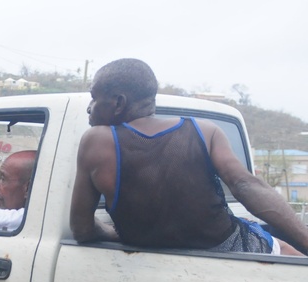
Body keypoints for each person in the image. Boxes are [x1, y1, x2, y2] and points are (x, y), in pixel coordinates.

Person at [70, 58, 308, 256]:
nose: (90, 107)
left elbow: (82, 229)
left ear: (119, 102)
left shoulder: (96, 142)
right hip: (233, 248)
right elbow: (245, 184)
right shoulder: (204, 131)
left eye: (94, 97)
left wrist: (113, 232)